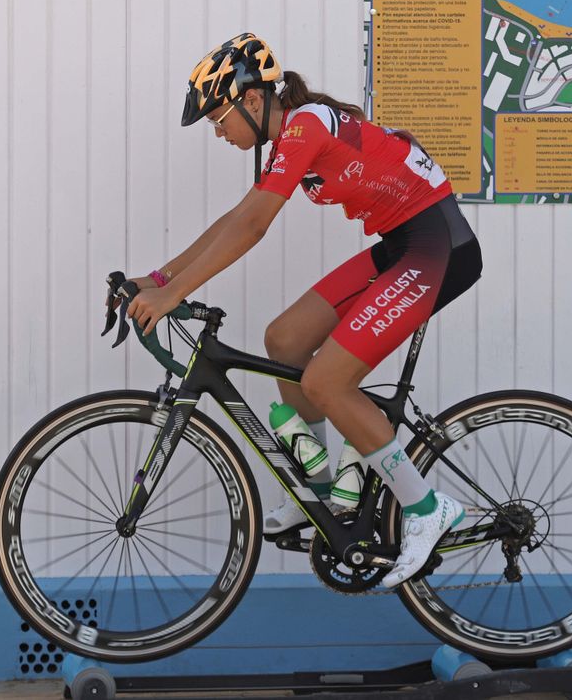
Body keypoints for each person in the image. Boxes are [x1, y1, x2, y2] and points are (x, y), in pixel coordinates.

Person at [124, 33, 483, 588]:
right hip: (400, 244)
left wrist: (170, 297)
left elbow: (253, 227)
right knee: (285, 340)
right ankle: (319, 491)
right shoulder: (295, 131)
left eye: (219, 120)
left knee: (326, 382)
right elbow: (237, 218)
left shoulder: (305, 125)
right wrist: (159, 278)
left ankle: (425, 506)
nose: (218, 134)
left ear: (251, 100)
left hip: (438, 247)